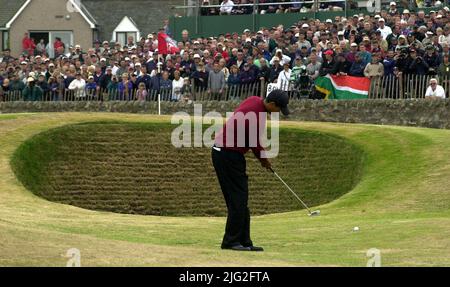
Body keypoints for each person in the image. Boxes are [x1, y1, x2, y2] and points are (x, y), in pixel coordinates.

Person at [212, 90, 290, 252]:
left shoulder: (255, 100)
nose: (278, 113)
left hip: (227, 152)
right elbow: (254, 142)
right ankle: (231, 242)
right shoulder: (257, 116)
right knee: (238, 199)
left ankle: (244, 241)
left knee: (240, 199)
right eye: (279, 110)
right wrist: (265, 161)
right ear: (272, 105)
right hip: (227, 153)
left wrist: (263, 160)